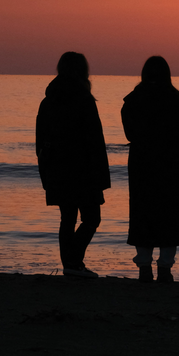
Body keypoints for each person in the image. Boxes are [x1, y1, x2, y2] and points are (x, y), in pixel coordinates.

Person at [36, 52, 110, 278]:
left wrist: (45, 170)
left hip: (58, 168)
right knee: (91, 218)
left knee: (67, 218)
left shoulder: (49, 100)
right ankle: (73, 261)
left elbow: (41, 139)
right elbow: (95, 140)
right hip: (84, 169)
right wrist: (101, 175)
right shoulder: (84, 99)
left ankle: (71, 262)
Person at [121, 56, 179, 283]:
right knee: (171, 214)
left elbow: (130, 133)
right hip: (171, 163)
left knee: (143, 213)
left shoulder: (133, 99)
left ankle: (144, 267)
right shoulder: (177, 99)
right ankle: (165, 268)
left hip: (142, 163)